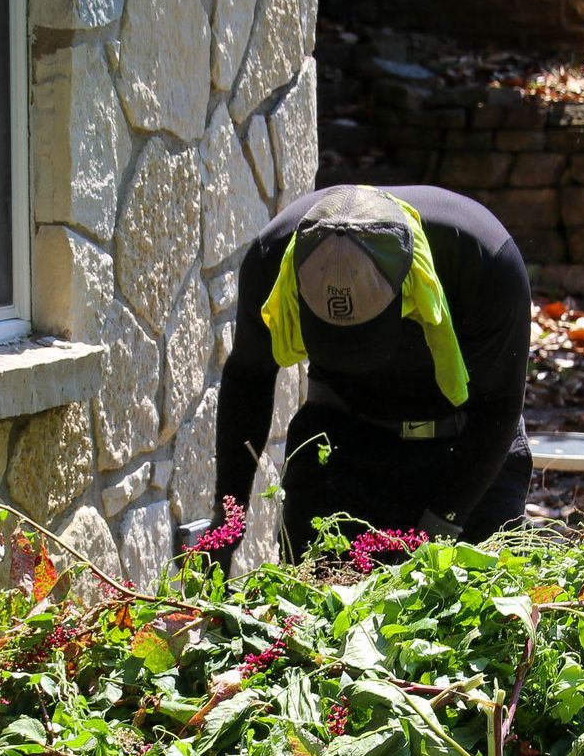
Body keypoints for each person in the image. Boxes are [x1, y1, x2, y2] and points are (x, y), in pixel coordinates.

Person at [210, 184, 532, 562]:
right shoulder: (273, 258)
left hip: (468, 443)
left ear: (408, 285)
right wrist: (226, 526)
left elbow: (502, 405)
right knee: (312, 612)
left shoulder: (483, 257)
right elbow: (248, 378)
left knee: (471, 612)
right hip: (344, 439)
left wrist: (441, 524)